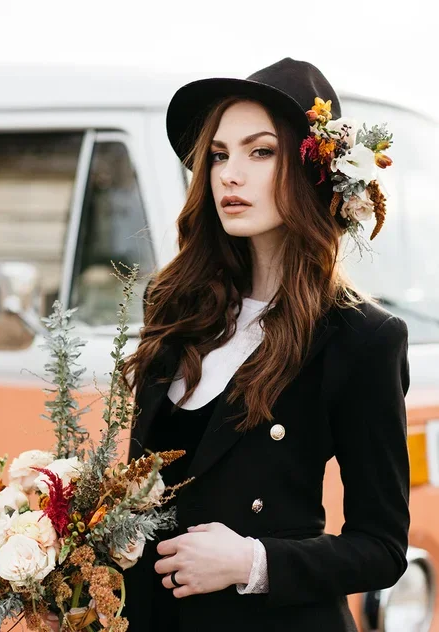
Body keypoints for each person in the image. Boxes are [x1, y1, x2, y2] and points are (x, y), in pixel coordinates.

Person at [120, 58, 411, 631]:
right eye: (221, 154)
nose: (230, 174)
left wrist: (252, 561)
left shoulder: (360, 337)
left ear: (315, 170)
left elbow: (381, 546)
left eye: (260, 152)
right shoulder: (176, 304)